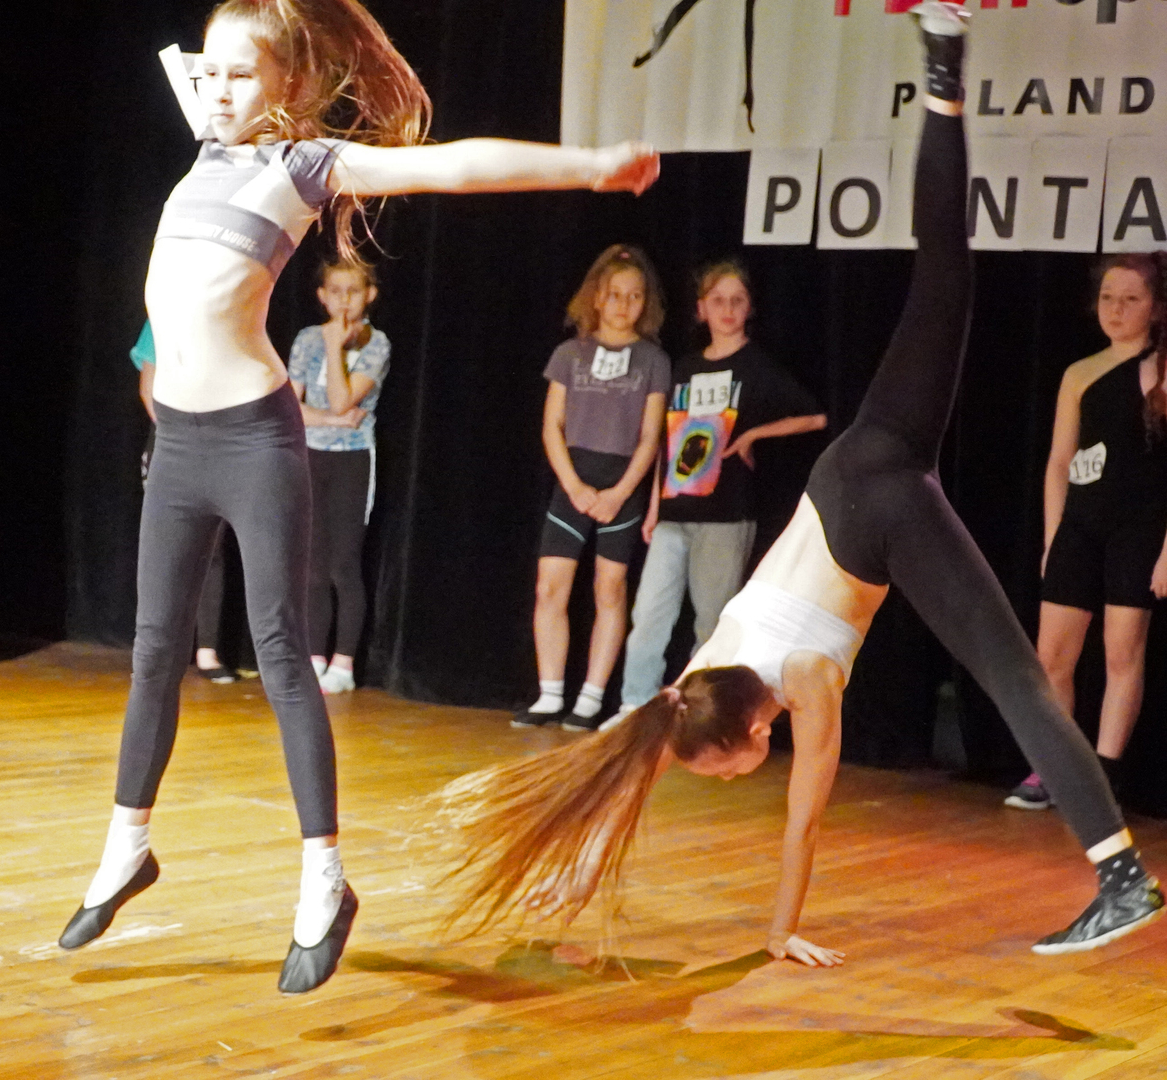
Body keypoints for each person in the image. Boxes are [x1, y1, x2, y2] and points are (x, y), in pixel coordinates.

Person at [428, 3, 1161, 967]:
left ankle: (1121, 878)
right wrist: (585, 861)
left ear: (744, 734)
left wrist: (781, 929)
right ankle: (943, 66)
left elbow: (804, 823)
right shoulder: (694, 683)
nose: (735, 778)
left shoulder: (801, 684)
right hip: (861, 457)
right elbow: (630, 762)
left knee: (1016, 677)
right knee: (945, 279)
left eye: (727, 770)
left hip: (875, 508)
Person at [56, 0, 660, 996]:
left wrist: (588, 164)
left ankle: (324, 882)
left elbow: (452, 167)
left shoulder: (301, 164)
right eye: (208, 73)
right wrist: (228, 63)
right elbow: (217, 75)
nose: (217, 89)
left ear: (288, 86)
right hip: (181, 441)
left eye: (240, 75)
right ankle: (127, 848)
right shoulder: (209, 141)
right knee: (153, 649)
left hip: (253, 438)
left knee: (280, 651)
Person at [612, 263, 826, 727]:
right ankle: (635, 711)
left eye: (737, 300)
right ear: (701, 309)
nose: (727, 309)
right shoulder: (684, 368)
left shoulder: (756, 366)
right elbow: (668, 442)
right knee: (649, 614)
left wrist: (752, 436)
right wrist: (654, 507)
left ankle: (698, 720)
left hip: (726, 515)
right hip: (674, 514)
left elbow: (815, 417)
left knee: (711, 623)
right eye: (718, 300)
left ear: (749, 309)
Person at [1006, 254, 1167, 812]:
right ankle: (1054, 769)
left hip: (1139, 530)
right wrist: (1054, 537)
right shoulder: (1080, 373)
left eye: (1131, 299)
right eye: (1107, 298)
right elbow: (1059, 462)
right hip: (1080, 526)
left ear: (1156, 307)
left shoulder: (1161, 370)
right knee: (1052, 656)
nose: (1116, 310)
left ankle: (1103, 779)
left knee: (1122, 653)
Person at [515, 245, 671, 732]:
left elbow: (651, 436)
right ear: (597, 298)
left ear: (646, 303)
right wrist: (575, 487)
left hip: (622, 486)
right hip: (573, 482)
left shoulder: (653, 360)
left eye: (634, 296)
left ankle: (590, 698)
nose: (624, 304)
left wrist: (619, 492)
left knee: (610, 588)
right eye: (614, 294)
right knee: (550, 588)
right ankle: (550, 694)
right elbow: (551, 427)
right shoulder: (569, 353)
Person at [288, 259, 391, 695]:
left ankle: (343, 664)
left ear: (369, 295)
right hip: (310, 457)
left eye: (353, 291)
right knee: (311, 564)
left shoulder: (376, 344)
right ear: (322, 296)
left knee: (343, 564)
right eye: (335, 290)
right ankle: (313, 657)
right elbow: (290, 408)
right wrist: (331, 420)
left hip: (352, 460)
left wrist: (334, 348)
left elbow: (343, 398)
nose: (344, 300)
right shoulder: (306, 339)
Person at [132, 319, 239, 683]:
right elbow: (148, 388)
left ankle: (207, 651)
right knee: (165, 548)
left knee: (212, 549)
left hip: (218, 442)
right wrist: (182, 434)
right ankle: (159, 650)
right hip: (172, 441)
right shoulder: (162, 316)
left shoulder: (228, 311)